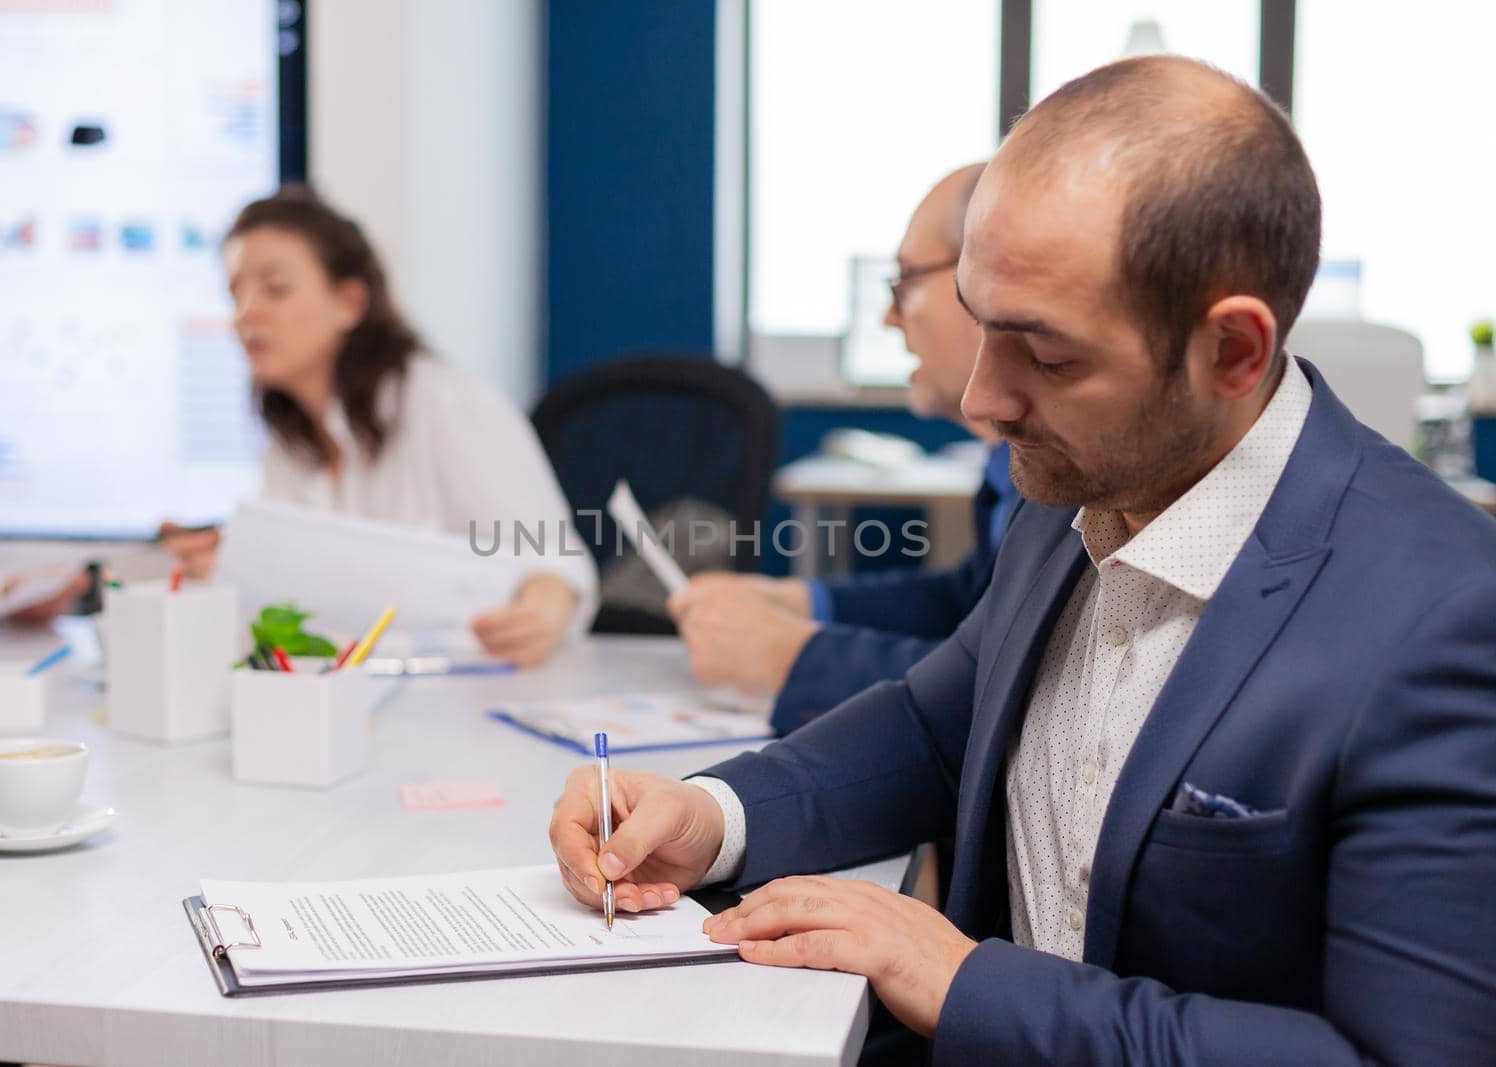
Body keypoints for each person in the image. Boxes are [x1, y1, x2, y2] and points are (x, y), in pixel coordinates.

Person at [549, 56, 1496, 1064]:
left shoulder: (1443, 617)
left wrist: (958, 979)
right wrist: (713, 813)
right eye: (978, 322)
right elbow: (937, 724)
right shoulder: (1076, 483)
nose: (983, 403)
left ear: (1231, 352)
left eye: (1046, 357)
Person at [163, 186, 596, 667]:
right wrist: (235, 565)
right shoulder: (289, 436)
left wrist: (541, 610)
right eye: (235, 293)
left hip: (468, 695)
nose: (246, 315)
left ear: (349, 303)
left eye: (275, 289)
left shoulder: (447, 404)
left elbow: (556, 563)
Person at [667, 164, 1018, 733]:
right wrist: (799, 603)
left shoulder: (1074, 479)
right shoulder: (1008, 463)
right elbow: (970, 603)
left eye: (906, 281)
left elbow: (1016, 689)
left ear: (986, 282)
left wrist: (792, 656)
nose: (888, 316)